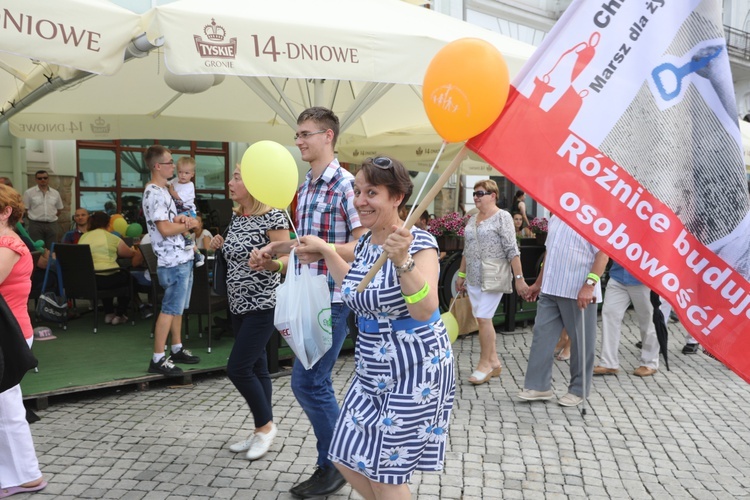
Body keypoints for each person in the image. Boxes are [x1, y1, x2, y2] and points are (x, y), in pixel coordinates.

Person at [297, 155, 455, 500]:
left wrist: (404, 262)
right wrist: (326, 251)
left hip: (415, 368)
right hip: (372, 367)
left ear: (397, 197)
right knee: (343, 454)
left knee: (385, 472)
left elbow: (425, 307)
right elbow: (354, 286)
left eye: (371, 192)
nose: (359, 200)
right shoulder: (367, 243)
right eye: (357, 191)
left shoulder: (419, 243)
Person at [253, 107, 365, 498]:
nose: (298, 141)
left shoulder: (347, 184)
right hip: (307, 295)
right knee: (311, 383)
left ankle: (337, 464)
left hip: (333, 298)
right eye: (297, 135)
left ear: (328, 136)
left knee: (309, 382)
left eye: (305, 134)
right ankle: (339, 462)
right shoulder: (308, 183)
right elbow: (306, 241)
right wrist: (275, 247)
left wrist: (324, 249)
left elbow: (365, 247)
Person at [210, 165, 290, 461]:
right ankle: (261, 429)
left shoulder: (274, 215)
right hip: (238, 305)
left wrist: (271, 263)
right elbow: (236, 253)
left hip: (264, 305)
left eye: (237, 178)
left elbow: (288, 256)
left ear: (254, 185)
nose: (230, 183)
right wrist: (218, 244)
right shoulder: (238, 216)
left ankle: (266, 427)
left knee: (238, 369)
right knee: (256, 368)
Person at [517, 215, 608, 407]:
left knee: (582, 342)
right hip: (550, 289)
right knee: (542, 337)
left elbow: (603, 254)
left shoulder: (594, 217)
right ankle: (538, 386)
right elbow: (550, 254)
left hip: (578, 291)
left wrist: (589, 285)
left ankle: (578, 390)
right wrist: (539, 283)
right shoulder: (556, 217)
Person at [455, 180, 528, 385]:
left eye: (480, 193)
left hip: (495, 274)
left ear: (493, 195)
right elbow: (467, 249)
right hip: (474, 277)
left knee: (484, 318)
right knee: (481, 319)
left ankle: (484, 364)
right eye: (474, 194)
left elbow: (512, 250)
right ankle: (494, 361)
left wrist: (519, 279)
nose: (476, 197)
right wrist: (461, 274)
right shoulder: (472, 218)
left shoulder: (503, 217)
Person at [0, 184, 47, 497]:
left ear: (5, 213)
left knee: (8, 407)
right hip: (10, 331)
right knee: (6, 406)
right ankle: (20, 474)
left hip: (9, 333)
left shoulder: (8, 244)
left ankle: (27, 475)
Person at [141, 145, 201, 375]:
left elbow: (167, 221)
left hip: (180, 256)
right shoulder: (155, 192)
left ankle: (176, 348)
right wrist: (191, 224)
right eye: (169, 162)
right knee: (169, 309)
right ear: (157, 166)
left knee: (176, 309)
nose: (174, 166)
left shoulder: (164, 189)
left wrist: (183, 220)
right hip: (172, 259)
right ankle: (157, 358)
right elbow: (164, 228)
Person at [593, 261, 660, 377]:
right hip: (617, 276)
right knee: (609, 314)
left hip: (644, 279)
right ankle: (608, 362)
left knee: (648, 320)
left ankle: (650, 363)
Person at [78, 212, 136, 325]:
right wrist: (134, 250)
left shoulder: (83, 237)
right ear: (108, 224)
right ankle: (120, 314)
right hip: (108, 279)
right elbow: (128, 254)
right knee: (129, 279)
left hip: (89, 280)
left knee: (106, 273)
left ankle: (109, 313)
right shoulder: (112, 237)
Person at [167, 156, 205, 268]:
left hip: (188, 212)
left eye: (187, 173)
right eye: (180, 172)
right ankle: (197, 253)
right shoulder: (174, 181)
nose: (183, 175)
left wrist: (171, 191)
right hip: (179, 212)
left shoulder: (190, 186)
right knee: (179, 227)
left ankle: (189, 242)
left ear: (192, 174)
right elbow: (166, 183)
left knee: (176, 221)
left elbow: (179, 198)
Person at [22, 170, 63, 250]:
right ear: (36, 180)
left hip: (52, 224)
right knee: (37, 248)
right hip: (35, 225)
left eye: (45, 178)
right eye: (40, 178)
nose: (42, 180)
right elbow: (25, 209)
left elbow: (59, 209)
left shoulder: (55, 193)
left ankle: (51, 262)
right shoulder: (29, 193)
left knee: (53, 248)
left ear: (48, 179)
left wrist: (51, 217)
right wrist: (33, 219)